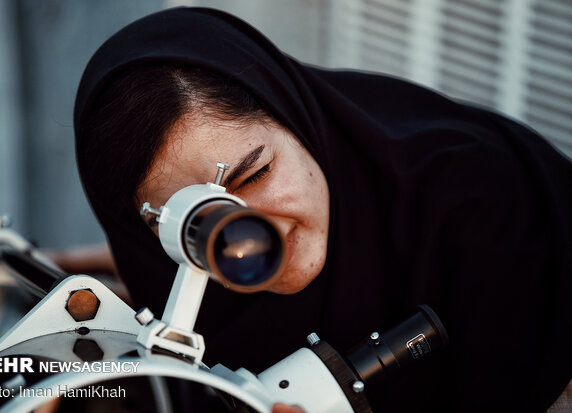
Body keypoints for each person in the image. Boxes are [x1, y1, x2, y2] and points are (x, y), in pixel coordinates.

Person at [73, 7, 571, 412]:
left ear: (294, 115)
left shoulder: (487, 203)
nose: (249, 235)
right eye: (199, 223)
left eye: (255, 174)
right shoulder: (174, 287)